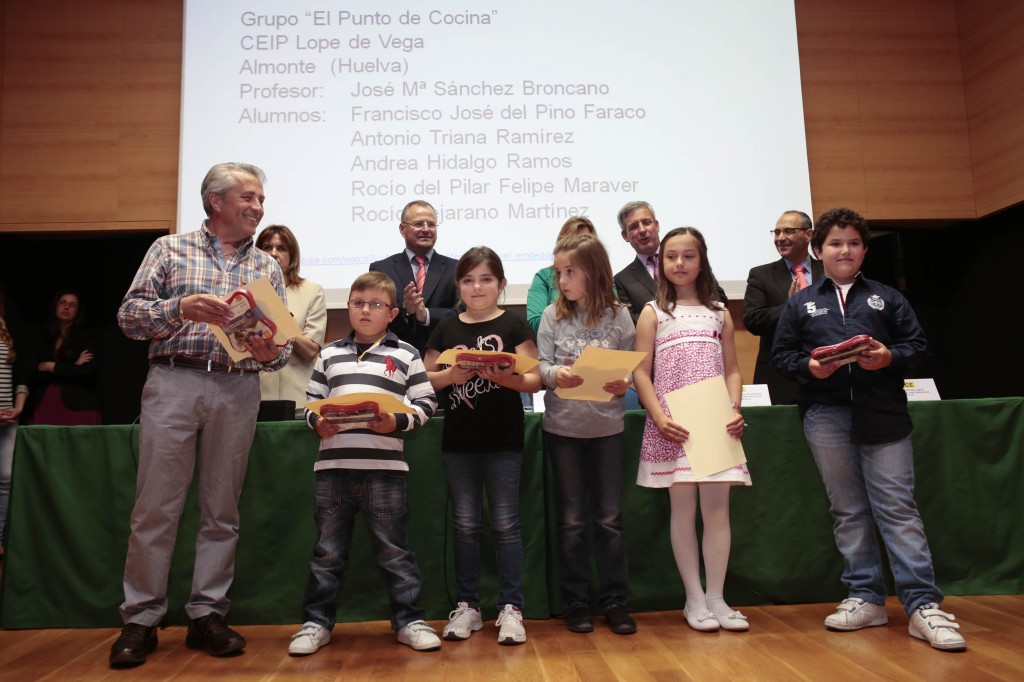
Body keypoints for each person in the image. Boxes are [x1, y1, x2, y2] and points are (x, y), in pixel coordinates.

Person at [109, 162, 292, 668]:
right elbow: (128, 318)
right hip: (174, 379)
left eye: (260, 199)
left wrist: (263, 347)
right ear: (216, 201)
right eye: (248, 197)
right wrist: (180, 309)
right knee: (156, 507)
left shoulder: (267, 267)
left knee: (222, 509)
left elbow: (277, 355)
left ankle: (207, 614)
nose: (258, 207)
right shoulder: (169, 249)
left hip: (239, 389)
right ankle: (141, 619)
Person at [772, 207, 967, 652]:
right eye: (836, 243)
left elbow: (918, 348)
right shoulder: (801, 302)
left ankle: (922, 605)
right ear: (817, 250)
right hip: (825, 415)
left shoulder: (887, 298)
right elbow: (782, 358)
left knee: (898, 509)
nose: (845, 250)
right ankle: (865, 597)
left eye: (854, 243)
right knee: (848, 511)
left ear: (864, 251)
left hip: (885, 415)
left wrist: (888, 358)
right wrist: (809, 367)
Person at [288, 271, 441, 656]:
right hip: (332, 469)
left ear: (391, 313)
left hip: (385, 471)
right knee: (327, 551)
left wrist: (395, 421)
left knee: (394, 550)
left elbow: (426, 404)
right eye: (358, 303)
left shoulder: (406, 354)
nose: (365, 311)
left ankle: (409, 620)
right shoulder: (328, 353)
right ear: (349, 307)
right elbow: (309, 402)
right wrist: (317, 422)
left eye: (375, 305)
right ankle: (316, 622)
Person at [633, 227, 750, 633]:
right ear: (661, 263)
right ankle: (694, 599)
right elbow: (640, 372)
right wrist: (659, 417)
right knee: (682, 513)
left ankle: (717, 598)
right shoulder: (653, 312)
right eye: (671, 257)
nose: (679, 264)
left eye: (688, 256)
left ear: (702, 261)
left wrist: (733, 408)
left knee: (717, 512)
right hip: (674, 427)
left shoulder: (719, 312)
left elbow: (733, 369)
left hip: (716, 425)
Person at [423, 246, 540, 646]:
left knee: (506, 525)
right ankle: (468, 606)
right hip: (459, 442)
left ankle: (511, 608)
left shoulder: (514, 324)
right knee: (466, 525)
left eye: (486, 279)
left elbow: (534, 377)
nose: (477, 286)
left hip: (504, 439)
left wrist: (503, 376)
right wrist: (451, 375)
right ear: (459, 285)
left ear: (501, 285)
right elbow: (426, 377)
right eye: (469, 279)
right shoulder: (446, 328)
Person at [536, 233, 637, 635]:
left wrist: (624, 381)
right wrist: (555, 374)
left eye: (570, 271)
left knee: (610, 520)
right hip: (563, 429)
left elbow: (631, 367)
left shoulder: (619, 315)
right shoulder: (551, 316)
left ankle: (615, 601)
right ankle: (576, 601)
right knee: (572, 520)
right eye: (559, 272)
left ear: (594, 272)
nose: (562, 280)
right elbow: (540, 367)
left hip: (608, 428)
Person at [743, 210, 824, 404]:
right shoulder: (761, 275)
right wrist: (791, 305)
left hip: (825, 374)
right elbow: (753, 320)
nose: (780, 238)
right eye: (777, 232)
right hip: (778, 376)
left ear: (809, 234)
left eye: (788, 231)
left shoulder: (828, 271)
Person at [256, 224, 327, 417]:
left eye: (281, 248)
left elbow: (310, 350)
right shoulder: (247, 292)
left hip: (297, 395)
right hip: (255, 393)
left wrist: (280, 319)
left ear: (292, 255)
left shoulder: (312, 291)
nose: (273, 253)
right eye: (267, 247)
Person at [370, 200, 458, 355]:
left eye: (431, 224)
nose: (426, 229)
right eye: (418, 224)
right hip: (394, 357)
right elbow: (376, 316)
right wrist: (404, 310)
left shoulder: (456, 268)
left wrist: (426, 315)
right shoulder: (381, 269)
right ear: (402, 229)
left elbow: (463, 313)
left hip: (442, 358)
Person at [24, 290, 102, 425]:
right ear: (55, 306)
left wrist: (51, 366)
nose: (66, 307)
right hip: (43, 404)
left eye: (72, 305)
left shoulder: (85, 338)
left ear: (78, 311)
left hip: (76, 406)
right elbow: (32, 373)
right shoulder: (42, 337)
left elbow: (88, 373)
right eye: (62, 303)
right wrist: (72, 368)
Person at [526, 216, 597, 334]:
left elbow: (611, 313)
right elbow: (535, 323)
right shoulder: (544, 276)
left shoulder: (601, 276)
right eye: (572, 240)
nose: (577, 247)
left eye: (584, 241)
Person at [0, 295, 28, 560]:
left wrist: (18, 407)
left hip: (8, 420)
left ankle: (0, 540)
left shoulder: (10, 336)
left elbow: (21, 378)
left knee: (6, 478)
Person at [612, 201, 663, 324]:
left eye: (646, 222)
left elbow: (714, 297)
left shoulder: (685, 259)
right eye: (634, 227)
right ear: (625, 236)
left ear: (657, 225)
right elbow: (630, 321)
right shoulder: (621, 280)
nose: (642, 230)